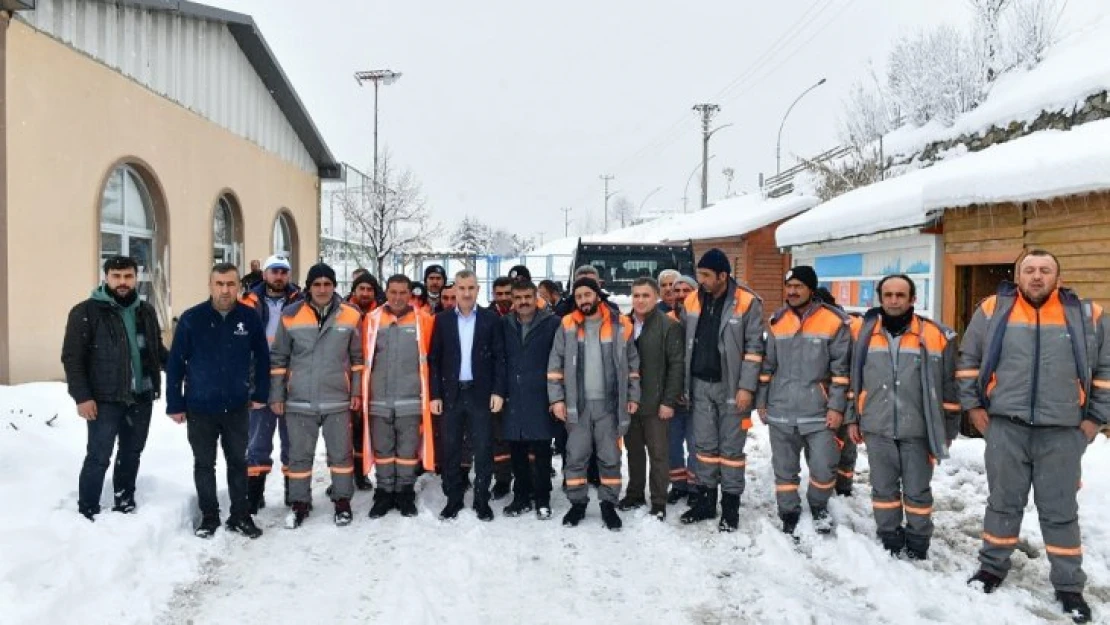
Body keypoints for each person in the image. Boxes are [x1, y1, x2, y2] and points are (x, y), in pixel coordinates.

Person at [960, 251, 1109, 623]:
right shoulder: (993, 310)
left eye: (1045, 270)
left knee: (1060, 512)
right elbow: (967, 361)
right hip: (1005, 427)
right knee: (1002, 503)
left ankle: (1069, 585)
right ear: (1018, 275)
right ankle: (992, 568)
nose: (1037, 276)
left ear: (1058, 276)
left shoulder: (1088, 316)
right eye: (1029, 270)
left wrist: (1094, 422)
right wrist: (974, 409)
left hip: (1062, 432)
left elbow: (1105, 372)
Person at [844, 274, 959, 560]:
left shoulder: (936, 335)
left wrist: (947, 430)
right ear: (880, 298)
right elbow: (852, 380)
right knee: (883, 488)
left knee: (918, 490)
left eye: (900, 295)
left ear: (913, 299)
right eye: (888, 295)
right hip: (876, 425)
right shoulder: (862, 335)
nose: (894, 300)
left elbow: (950, 389)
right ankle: (890, 537)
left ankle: (919, 540)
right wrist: (852, 418)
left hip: (918, 429)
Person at [165, 263, 270, 539]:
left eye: (231, 284)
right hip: (200, 406)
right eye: (220, 284)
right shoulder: (192, 319)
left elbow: (262, 359)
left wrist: (260, 394)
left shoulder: (249, 318)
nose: (225, 290)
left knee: (238, 462)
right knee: (204, 464)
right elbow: (175, 363)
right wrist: (174, 402)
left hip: (237, 406)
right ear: (210, 285)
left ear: (238, 286)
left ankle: (240, 515)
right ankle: (209, 517)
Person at [63, 255, 168, 521]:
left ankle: (124, 501)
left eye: (128, 276)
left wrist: (186, 366)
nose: (123, 282)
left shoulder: (145, 310)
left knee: (131, 452)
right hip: (105, 398)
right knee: (98, 455)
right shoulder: (85, 312)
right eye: (117, 277)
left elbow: (157, 351)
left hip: (141, 396)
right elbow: (73, 358)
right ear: (106, 277)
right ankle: (87, 509)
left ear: (136, 278)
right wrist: (82, 397)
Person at [757, 265, 851, 537]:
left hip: (819, 412)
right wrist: (762, 402)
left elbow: (841, 371)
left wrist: (835, 407)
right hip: (781, 409)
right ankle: (788, 511)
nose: (793, 291)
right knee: (784, 469)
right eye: (789, 286)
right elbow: (767, 365)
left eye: (799, 286)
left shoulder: (834, 322)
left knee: (823, 467)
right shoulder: (777, 321)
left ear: (811, 289)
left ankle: (819, 505)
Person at [269, 262, 364, 528]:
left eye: (327, 284)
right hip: (299, 399)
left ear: (334, 286)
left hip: (337, 398)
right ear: (308, 287)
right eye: (317, 284)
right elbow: (279, 358)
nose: (322, 289)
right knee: (299, 456)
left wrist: (355, 391)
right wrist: (277, 395)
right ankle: (300, 504)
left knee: (341, 455)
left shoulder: (351, 314)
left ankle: (342, 502)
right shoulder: (290, 314)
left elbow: (358, 359)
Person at [678, 250, 764, 532]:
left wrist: (746, 388)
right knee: (704, 449)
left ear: (722, 276)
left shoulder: (748, 303)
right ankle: (705, 502)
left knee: (730, 451)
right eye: (699, 275)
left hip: (732, 389)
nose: (700, 281)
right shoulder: (692, 300)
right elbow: (683, 344)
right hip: (700, 385)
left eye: (705, 276)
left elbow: (754, 350)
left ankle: (730, 508)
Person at [548, 277, 641, 530]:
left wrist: (633, 396)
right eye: (578, 297)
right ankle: (577, 504)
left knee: (610, 457)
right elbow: (555, 366)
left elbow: (633, 366)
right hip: (576, 405)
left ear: (597, 295)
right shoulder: (567, 324)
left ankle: (608, 504)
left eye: (587, 295)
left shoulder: (621, 324)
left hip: (609, 405)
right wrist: (556, 399)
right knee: (576, 457)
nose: (583, 300)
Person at [430, 270, 507, 521]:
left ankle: (481, 500)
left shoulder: (490, 319)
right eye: (461, 288)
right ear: (455, 289)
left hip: (480, 394)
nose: (465, 293)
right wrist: (435, 394)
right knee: (450, 449)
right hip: (451, 394)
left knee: (483, 449)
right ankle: (453, 499)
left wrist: (498, 391)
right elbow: (435, 360)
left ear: (477, 290)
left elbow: (499, 359)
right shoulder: (442, 320)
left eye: (470, 288)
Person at [362, 275, 435, 519]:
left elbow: (431, 358)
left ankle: (404, 492)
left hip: (411, 397)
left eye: (403, 292)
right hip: (379, 398)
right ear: (386, 292)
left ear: (410, 294)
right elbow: (362, 357)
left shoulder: (423, 320)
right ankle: (384, 492)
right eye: (393, 292)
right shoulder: (372, 320)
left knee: (407, 450)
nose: (397, 297)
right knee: (383, 450)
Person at [240, 255, 302, 512]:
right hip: (259, 379)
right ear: (264, 274)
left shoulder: (301, 301)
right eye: (274, 271)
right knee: (257, 441)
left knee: (294, 440)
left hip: (292, 379)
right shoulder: (247, 301)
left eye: (283, 272)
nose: (279, 276)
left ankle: (293, 491)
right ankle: (254, 495)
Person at [620, 277, 684, 520]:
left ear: (656, 297)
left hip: (656, 403)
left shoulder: (668, 326)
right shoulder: (623, 324)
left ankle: (658, 500)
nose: (640, 300)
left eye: (646, 295)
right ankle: (635, 493)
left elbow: (676, 366)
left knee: (658, 454)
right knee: (633, 451)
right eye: (636, 295)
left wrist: (669, 401)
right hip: (629, 402)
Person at [500, 279, 562, 519]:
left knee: (542, 449)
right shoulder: (505, 324)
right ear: (513, 300)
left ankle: (543, 497)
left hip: (541, 395)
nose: (523, 302)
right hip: (513, 396)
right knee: (516, 449)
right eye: (518, 298)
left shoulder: (551, 323)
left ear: (535, 296)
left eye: (528, 296)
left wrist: (556, 395)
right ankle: (521, 496)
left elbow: (559, 359)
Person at [667, 275, 699, 505]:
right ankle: (678, 484)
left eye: (685, 290)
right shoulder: (664, 320)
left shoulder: (702, 319)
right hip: (672, 395)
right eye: (676, 290)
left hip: (698, 394)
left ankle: (695, 485)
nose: (679, 295)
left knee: (697, 444)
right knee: (672, 443)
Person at [348, 272, 380, 491]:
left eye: (369, 289)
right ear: (354, 291)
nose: (366, 293)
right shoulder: (343, 313)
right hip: (347, 377)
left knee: (364, 430)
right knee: (344, 432)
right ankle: (341, 477)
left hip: (374, 377)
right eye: (362, 289)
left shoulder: (381, 313)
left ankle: (361, 473)